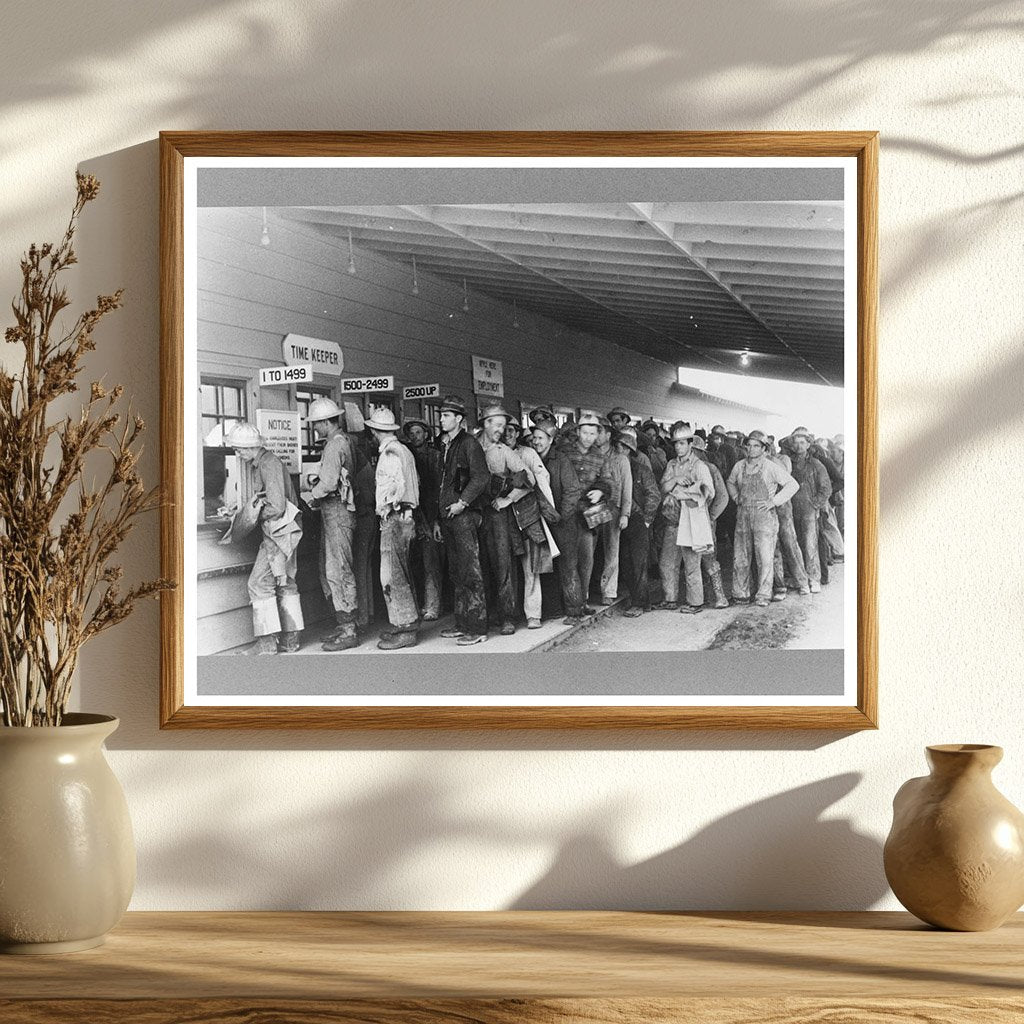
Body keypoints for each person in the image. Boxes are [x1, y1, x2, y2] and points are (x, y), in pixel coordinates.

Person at [226, 422, 304, 654]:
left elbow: (277, 507)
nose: (238, 454)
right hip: (286, 532)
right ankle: (291, 640)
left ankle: (267, 643)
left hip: (278, 533)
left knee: (258, 583)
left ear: (250, 448)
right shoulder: (266, 463)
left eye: (239, 449)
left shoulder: (268, 464)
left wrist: (251, 513)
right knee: (285, 581)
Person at [302, 397, 359, 652]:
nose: (315, 428)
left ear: (327, 422)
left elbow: (328, 483)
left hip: (337, 510)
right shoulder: (344, 441)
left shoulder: (335, 445)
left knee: (339, 570)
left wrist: (310, 495)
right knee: (333, 569)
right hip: (335, 511)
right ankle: (344, 622)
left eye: (317, 424)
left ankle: (349, 630)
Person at [437, 395, 490, 646]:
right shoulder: (445, 444)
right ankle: (462, 622)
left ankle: (477, 627)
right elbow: (445, 482)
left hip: (464, 516)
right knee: (457, 571)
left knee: (471, 570)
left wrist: (463, 503)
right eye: (441, 415)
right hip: (448, 517)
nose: (441, 419)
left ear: (458, 419)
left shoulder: (469, 444)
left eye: (446, 415)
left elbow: (480, 477)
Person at [478, 405, 534, 635]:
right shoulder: (471, 445)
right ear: (485, 423)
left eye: (504, 426)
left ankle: (507, 617)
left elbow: (528, 479)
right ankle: (485, 615)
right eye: (498, 425)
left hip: (497, 513)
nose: (501, 430)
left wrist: (508, 499)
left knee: (503, 565)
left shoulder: (503, 451)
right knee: (478, 566)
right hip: (474, 513)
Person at [368, 408, 421, 650]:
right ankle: (403, 623)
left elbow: (398, 485)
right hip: (406, 517)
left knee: (391, 574)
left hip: (396, 516)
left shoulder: (389, 452)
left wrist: (390, 506)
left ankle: (406, 628)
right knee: (400, 570)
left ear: (374, 431)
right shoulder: (404, 450)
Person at [726, 430, 798, 607]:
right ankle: (740, 594)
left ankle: (764, 595)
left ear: (764, 449)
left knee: (765, 557)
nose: (751, 449)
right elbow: (730, 482)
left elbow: (792, 484)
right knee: (741, 557)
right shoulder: (739, 466)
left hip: (764, 517)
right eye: (749, 445)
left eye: (756, 446)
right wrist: (735, 497)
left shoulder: (771, 466)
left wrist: (774, 501)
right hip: (743, 515)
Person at [531, 422, 587, 624]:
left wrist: (561, 516)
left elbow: (573, 490)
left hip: (564, 523)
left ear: (551, 440)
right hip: (543, 522)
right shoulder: (533, 459)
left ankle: (574, 611)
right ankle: (554, 609)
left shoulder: (560, 459)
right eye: (535, 437)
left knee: (568, 566)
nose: (536, 441)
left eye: (540, 438)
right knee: (547, 566)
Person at [658, 424, 716, 613]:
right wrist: (675, 481)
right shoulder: (671, 465)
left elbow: (709, 492)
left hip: (691, 519)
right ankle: (670, 599)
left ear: (690, 444)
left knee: (692, 563)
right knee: (668, 561)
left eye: (682, 443)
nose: (678, 447)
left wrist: (683, 492)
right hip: (673, 519)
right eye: (676, 444)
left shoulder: (699, 466)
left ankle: (695, 602)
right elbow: (662, 489)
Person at [567, 412, 612, 603]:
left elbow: (608, 481)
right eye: (585, 433)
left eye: (592, 434)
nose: (588, 438)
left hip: (589, 513)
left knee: (587, 558)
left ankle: (583, 599)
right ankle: (570, 602)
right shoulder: (564, 452)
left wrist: (601, 491)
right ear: (578, 431)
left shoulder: (599, 456)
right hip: (567, 511)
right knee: (569, 560)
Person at [402, 417, 443, 622]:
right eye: (411, 433)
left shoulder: (436, 456)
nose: (414, 436)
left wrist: (436, 520)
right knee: (414, 562)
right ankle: (418, 605)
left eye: (418, 432)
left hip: (429, 513)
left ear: (426, 434)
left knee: (431, 562)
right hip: (412, 514)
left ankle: (433, 605)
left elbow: (438, 489)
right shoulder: (406, 455)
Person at [618, 428, 660, 617]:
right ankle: (641, 601)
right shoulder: (616, 469)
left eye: (618, 448)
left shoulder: (641, 470)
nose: (616, 451)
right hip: (622, 521)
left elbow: (654, 495)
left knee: (639, 564)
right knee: (627, 563)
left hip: (639, 521)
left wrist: (647, 520)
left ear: (627, 449)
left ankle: (640, 603)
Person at [787, 427, 832, 594]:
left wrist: (815, 504)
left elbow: (826, 488)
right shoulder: (788, 463)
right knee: (794, 545)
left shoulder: (815, 464)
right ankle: (800, 579)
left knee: (810, 545)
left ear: (808, 444)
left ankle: (814, 579)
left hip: (809, 511)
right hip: (791, 509)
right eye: (796, 443)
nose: (798, 446)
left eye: (802, 442)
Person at [594, 417, 632, 604]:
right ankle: (589, 592)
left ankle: (608, 592)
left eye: (599, 431)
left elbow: (627, 488)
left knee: (611, 551)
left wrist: (625, 513)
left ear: (608, 434)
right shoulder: (589, 456)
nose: (595, 435)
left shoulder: (620, 459)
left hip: (613, 509)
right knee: (590, 551)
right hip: (592, 509)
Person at [691, 434, 730, 609]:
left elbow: (722, 497)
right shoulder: (680, 467)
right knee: (693, 561)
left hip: (704, 520)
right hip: (686, 521)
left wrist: (711, 517)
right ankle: (703, 597)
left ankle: (720, 596)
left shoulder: (710, 468)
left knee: (708, 559)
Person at [770, 443, 810, 599]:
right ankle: (780, 586)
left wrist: (776, 500)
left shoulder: (778, 461)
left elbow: (788, 483)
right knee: (774, 548)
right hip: (768, 509)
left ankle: (802, 582)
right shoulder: (751, 463)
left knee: (790, 544)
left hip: (782, 508)